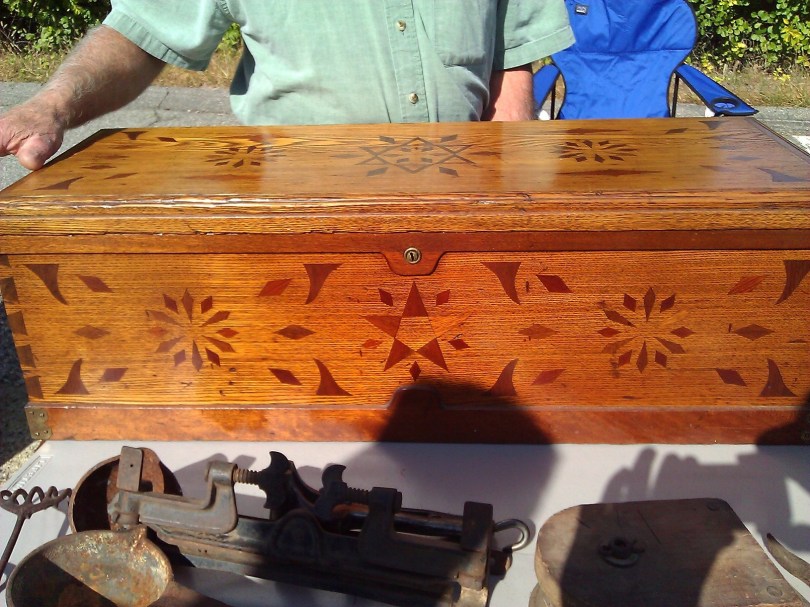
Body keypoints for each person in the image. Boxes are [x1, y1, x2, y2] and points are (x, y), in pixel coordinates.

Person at [0, 2, 573, 171]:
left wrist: (507, 205)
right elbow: (141, 32)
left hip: (460, 214)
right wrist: (52, 104)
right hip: (298, 223)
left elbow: (511, 57)